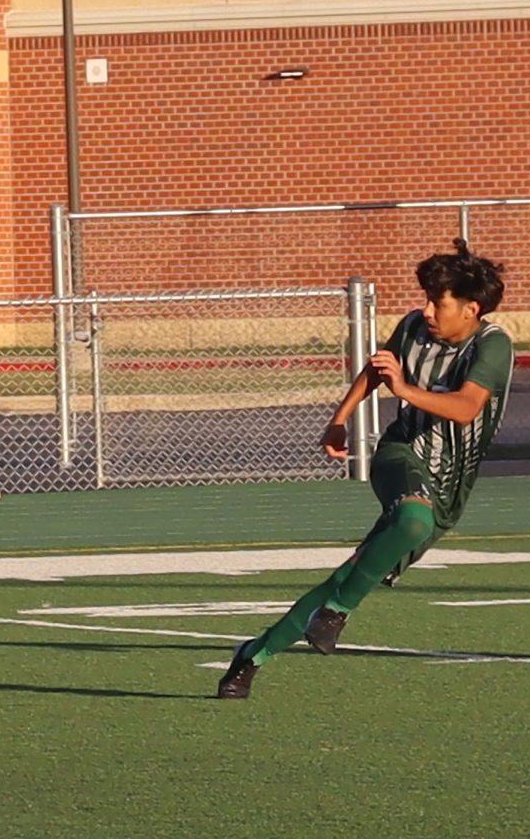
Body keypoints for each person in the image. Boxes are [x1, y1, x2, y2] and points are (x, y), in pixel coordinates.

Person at [217, 238, 513, 699]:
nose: (427, 311)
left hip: (451, 484)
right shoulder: (415, 327)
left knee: (351, 575)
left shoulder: (493, 346)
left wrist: (404, 389)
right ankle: (337, 612)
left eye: (439, 302)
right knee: (412, 519)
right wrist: (340, 420)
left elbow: (465, 408)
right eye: (427, 301)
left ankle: (254, 655)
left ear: (471, 309)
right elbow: (378, 370)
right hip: (401, 455)